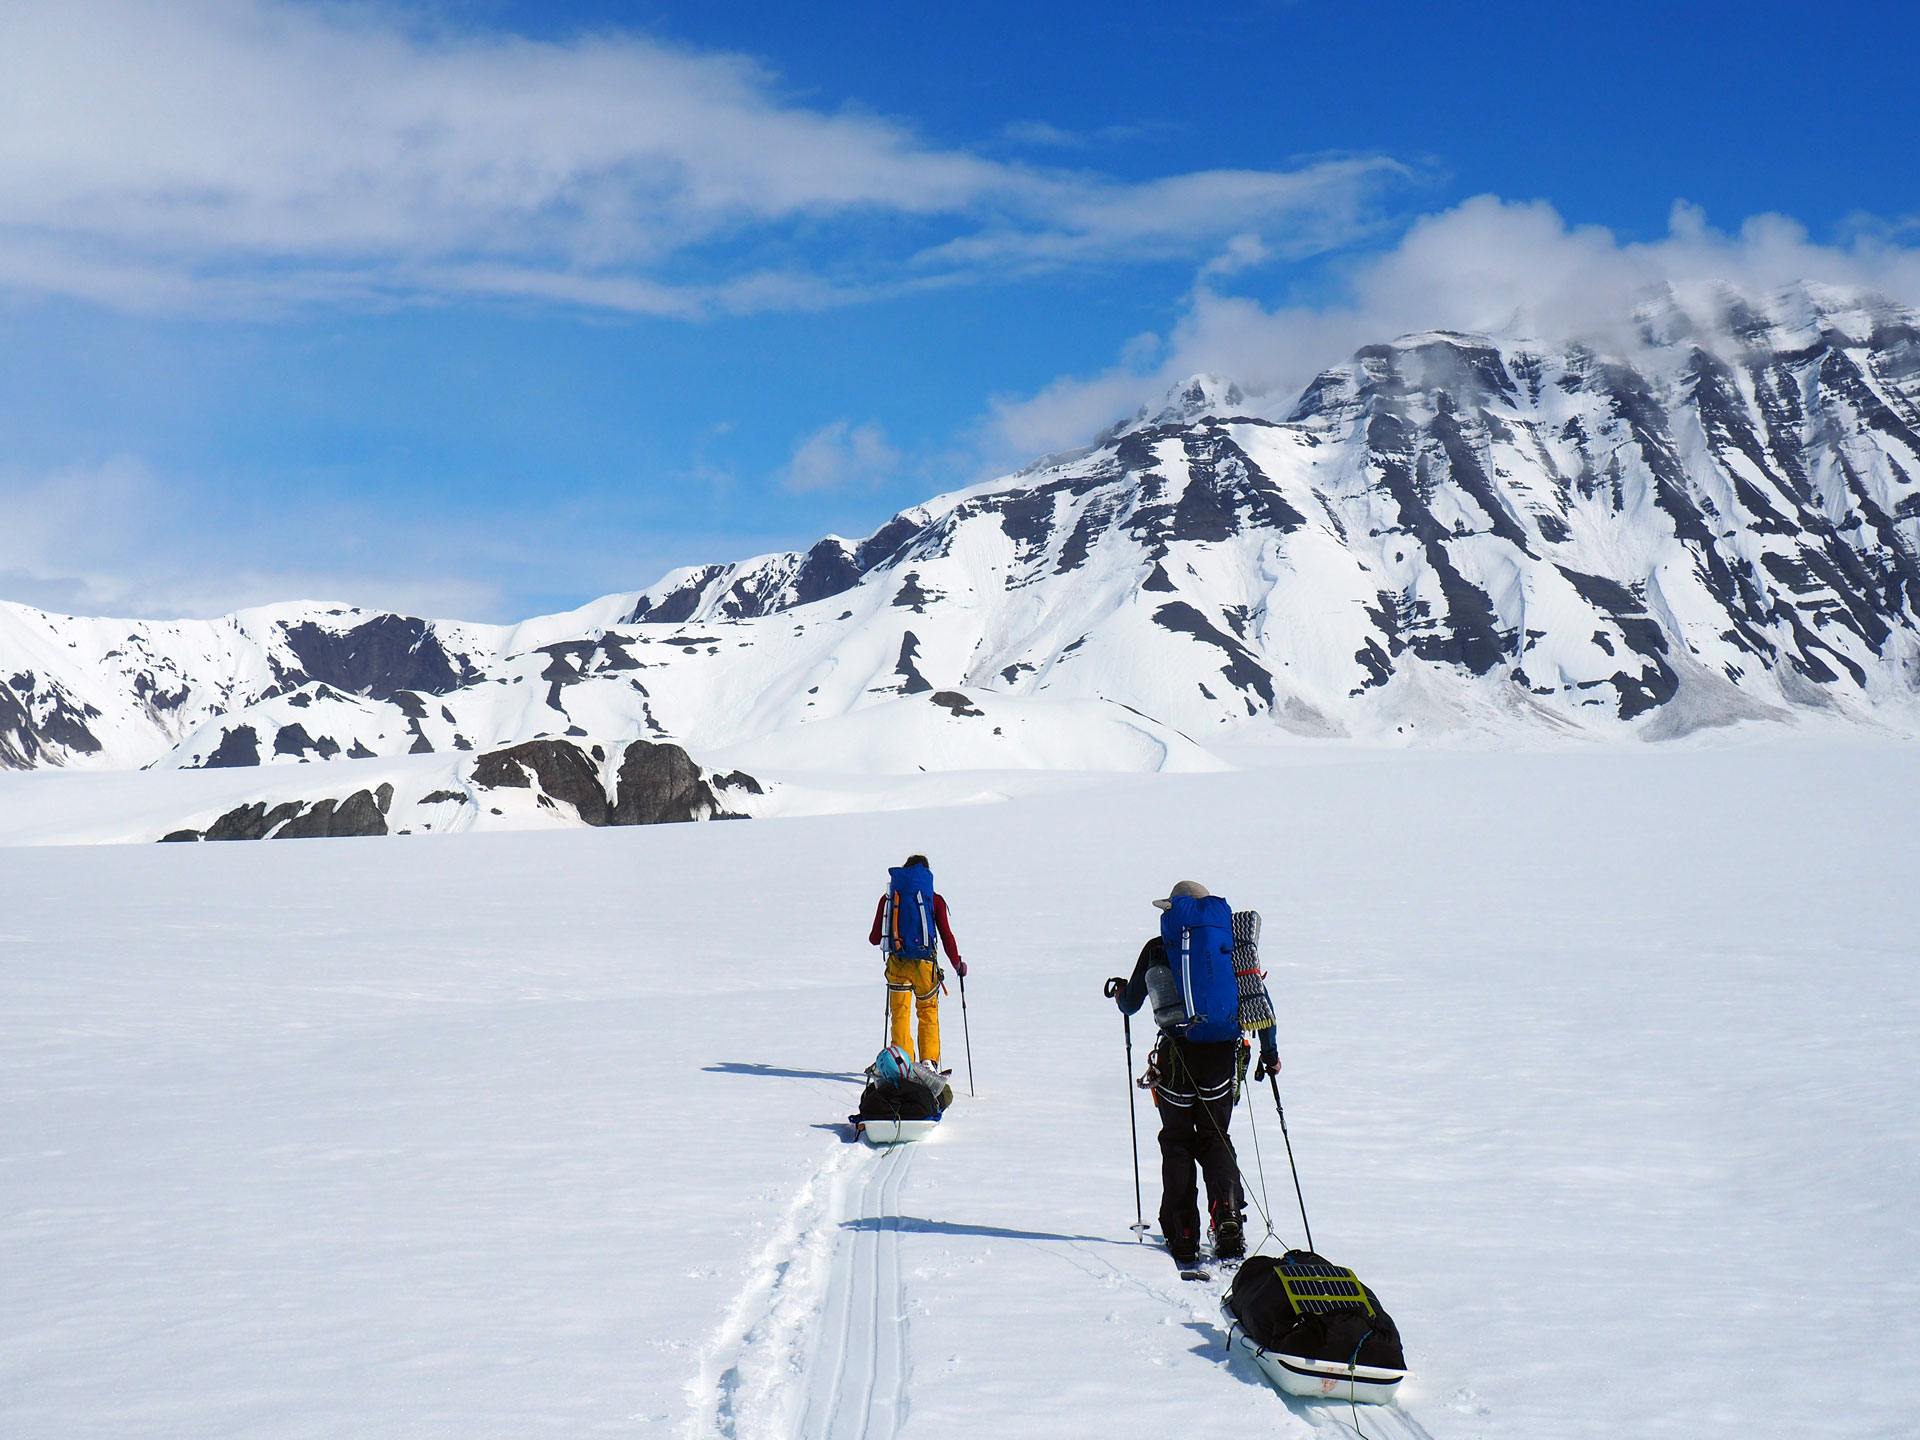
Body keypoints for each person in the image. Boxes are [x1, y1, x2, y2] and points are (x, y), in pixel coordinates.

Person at [1109, 879, 1279, 1266]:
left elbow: (1130, 1004)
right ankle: (1228, 1218)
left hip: (1175, 1061)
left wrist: (1122, 994)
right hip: (1220, 1059)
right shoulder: (1230, 947)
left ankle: (1182, 1229)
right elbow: (1260, 1004)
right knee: (1216, 1138)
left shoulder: (1157, 948)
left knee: (1178, 1141)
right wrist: (1270, 1053)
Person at [868, 853, 965, 1069]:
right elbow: (947, 935)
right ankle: (929, 1062)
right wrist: (957, 963)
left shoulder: (890, 898)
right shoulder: (933, 898)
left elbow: (874, 938)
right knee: (927, 1011)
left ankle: (903, 1062)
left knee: (900, 1014)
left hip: (898, 964)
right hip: (925, 966)